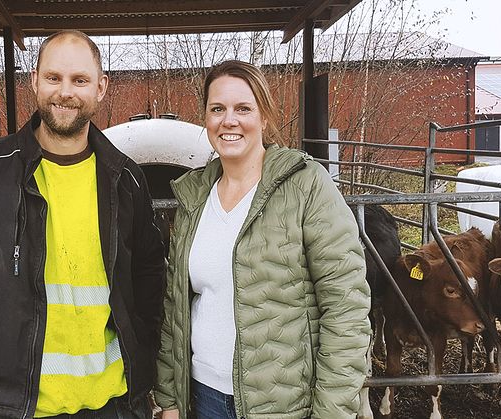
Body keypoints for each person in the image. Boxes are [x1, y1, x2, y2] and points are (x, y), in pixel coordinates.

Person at [0, 30, 166, 419]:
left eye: (79, 80)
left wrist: (145, 364)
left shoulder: (125, 178)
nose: (65, 92)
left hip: (110, 401)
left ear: (101, 88)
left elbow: (150, 281)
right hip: (9, 404)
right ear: (34, 80)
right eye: (54, 78)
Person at [153, 60, 371, 419]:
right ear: (206, 118)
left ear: (264, 117)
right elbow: (176, 307)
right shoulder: (194, 197)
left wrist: (331, 411)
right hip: (204, 395)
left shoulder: (306, 185)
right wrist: (170, 399)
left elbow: (346, 307)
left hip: (282, 405)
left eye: (243, 108)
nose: (229, 120)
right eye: (217, 109)